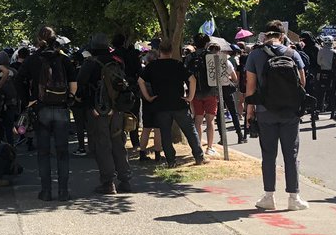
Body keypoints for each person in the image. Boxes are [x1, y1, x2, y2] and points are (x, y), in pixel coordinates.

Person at [244, 21, 308, 211]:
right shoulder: (292, 54)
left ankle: (268, 196)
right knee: (291, 154)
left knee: (268, 155)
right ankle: (293, 197)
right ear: (282, 35)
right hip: (290, 112)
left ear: (265, 36)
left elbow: (250, 86)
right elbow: (302, 82)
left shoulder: (255, 55)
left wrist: (250, 111)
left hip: (265, 111)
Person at [23, 26, 77, 201]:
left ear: (38, 40)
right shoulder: (64, 59)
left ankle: (46, 191)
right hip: (61, 108)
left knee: (43, 152)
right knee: (62, 152)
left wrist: (29, 100)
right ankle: (64, 191)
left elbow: (18, 79)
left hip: (41, 108)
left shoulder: (32, 60)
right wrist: (70, 99)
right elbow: (73, 84)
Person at [77, 34, 134, 194]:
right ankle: (125, 180)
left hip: (98, 110)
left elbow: (81, 85)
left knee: (102, 145)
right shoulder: (117, 61)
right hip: (117, 109)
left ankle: (108, 182)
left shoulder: (90, 64)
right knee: (118, 143)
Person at [139, 40, 206, 167]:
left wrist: (148, 97)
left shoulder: (152, 66)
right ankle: (199, 156)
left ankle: (171, 161)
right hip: (179, 103)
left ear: (159, 51)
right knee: (190, 131)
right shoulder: (178, 64)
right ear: (171, 51)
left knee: (165, 134)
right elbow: (192, 80)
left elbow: (140, 80)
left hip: (161, 104)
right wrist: (190, 97)